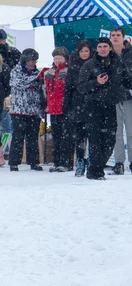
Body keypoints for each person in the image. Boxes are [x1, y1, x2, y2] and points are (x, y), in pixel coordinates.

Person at [78, 37, 132, 180]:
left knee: (110, 139)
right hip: (93, 105)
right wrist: (96, 82)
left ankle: (96, 166)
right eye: (100, 46)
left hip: (110, 105)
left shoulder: (118, 62)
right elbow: (81, 87)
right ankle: (95, 172)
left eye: (105, 46)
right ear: (97, 48)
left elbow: (127, 80)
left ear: (109, 48)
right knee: (95, 140)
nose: (103, 49)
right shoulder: (89, 65)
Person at [8, 49, 45, 172]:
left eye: (35, 61)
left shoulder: (37, 73)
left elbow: (41, 89)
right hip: (19, 110)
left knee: (33, 137)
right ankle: (14, 163)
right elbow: (18, 84)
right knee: (18, 137)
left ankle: (33, 162)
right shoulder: (15, 71)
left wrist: (39, 83)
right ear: (25, 60)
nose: (33, 63)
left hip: (34, 110)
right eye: (31, 61)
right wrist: (33, 81)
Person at [63, 41, 92, 177]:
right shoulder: (73, 67)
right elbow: (68, 88)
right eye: (82, 51)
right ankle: (80, 161)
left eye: (86, 51)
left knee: (93, 136)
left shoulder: (95, 64)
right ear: (78, 53)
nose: (84, 54)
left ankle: (91, 160)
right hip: (78, 104)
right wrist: (66, 104)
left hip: (93, 104)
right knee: (80, 136)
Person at [44, 47, 73, 172]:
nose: (57, 60)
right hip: (53, 108)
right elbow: (45, 90)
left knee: (66, 136)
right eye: (55, 58)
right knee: (56, 136)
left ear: (65, 58)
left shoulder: (69, 71)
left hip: (65, 108)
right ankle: (56, 161)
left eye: (60, 58)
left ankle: (66, 162)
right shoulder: (48, 72)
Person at [110, 27, 132, 175]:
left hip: (129, 97)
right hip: (112, 98)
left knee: (131, 131)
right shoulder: (107, 54)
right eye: (113, 35)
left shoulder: (130, 53)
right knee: (116, 132)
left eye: (118, 35)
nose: (115, 37)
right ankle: (118, 162)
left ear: (123, 37)